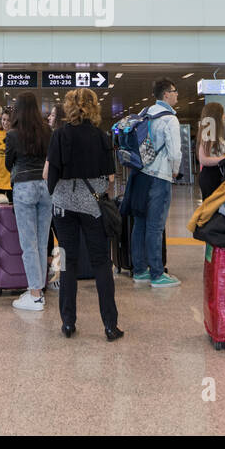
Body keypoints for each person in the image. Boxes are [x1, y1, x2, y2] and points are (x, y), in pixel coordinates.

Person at [47, 88, 121, 340]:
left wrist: (60, 193)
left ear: (68, 107)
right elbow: (110, 177)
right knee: (101, 263)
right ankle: (110, 325)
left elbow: (51, 174)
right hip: (92, 206)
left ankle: (68, 323)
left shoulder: (59, 135)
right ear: (94, 107)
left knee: (67, 262)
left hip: (63, 206)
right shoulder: (101, 136)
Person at [129, 79, 182, 288]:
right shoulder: (170, 119)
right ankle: (157, 274)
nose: (177, 95)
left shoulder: (144, 113)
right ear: (167, 94)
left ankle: (140, 270)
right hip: (159, 176)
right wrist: (175, 171)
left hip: (139, 175)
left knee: (140, 224)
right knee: (155, 226)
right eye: (175, 91)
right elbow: (175, 151)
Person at [5, 92, 52, 312]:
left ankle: (34, 295)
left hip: (24, 186)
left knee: (28, 243)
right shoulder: (47, 130)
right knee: (42, 242)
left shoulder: (13, 134)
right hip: (45, 187)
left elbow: (8, 163)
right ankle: (38, 290)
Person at [197, 102, 225, 200]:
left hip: (215, 175)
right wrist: (224, 159)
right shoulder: (208, 134)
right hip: (211, 176)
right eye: (223, 114)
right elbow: (203, 159)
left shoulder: (214, 134)